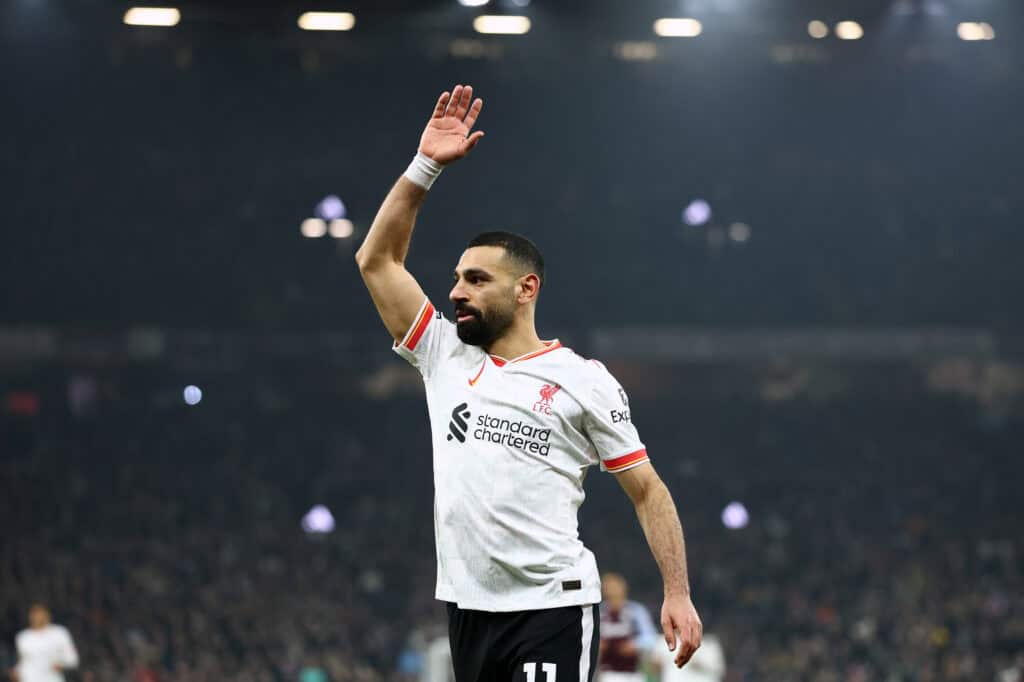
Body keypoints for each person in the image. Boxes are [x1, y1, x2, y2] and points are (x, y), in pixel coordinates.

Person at [355, 83, 701, 682]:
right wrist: (424, 167)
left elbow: (648, 490)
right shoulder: (443, 354)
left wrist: (677, 591)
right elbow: (377, 261)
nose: (456, 292)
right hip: (466, 608)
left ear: (525, 289)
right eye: (456, 278)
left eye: (476, 280)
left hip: (552, 608)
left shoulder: (582, 381)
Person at [597, 573, 657, 682]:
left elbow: (650, 638)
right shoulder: (600, 613)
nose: (612, 593)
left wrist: (634, 645)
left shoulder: (636, 612)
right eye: (608, 590)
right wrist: (598, 644)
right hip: (607, 673)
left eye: (614, 589)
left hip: (633, 673)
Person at [9, 604, 79, 682]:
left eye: (40, 613)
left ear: (47, 614)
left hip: (52, 678)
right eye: (34, 613)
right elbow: (23, 661)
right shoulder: (23, 637)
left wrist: (61, 665)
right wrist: (16, 671)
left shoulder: (59, 633)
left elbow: (72, 660)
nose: (37, 617)